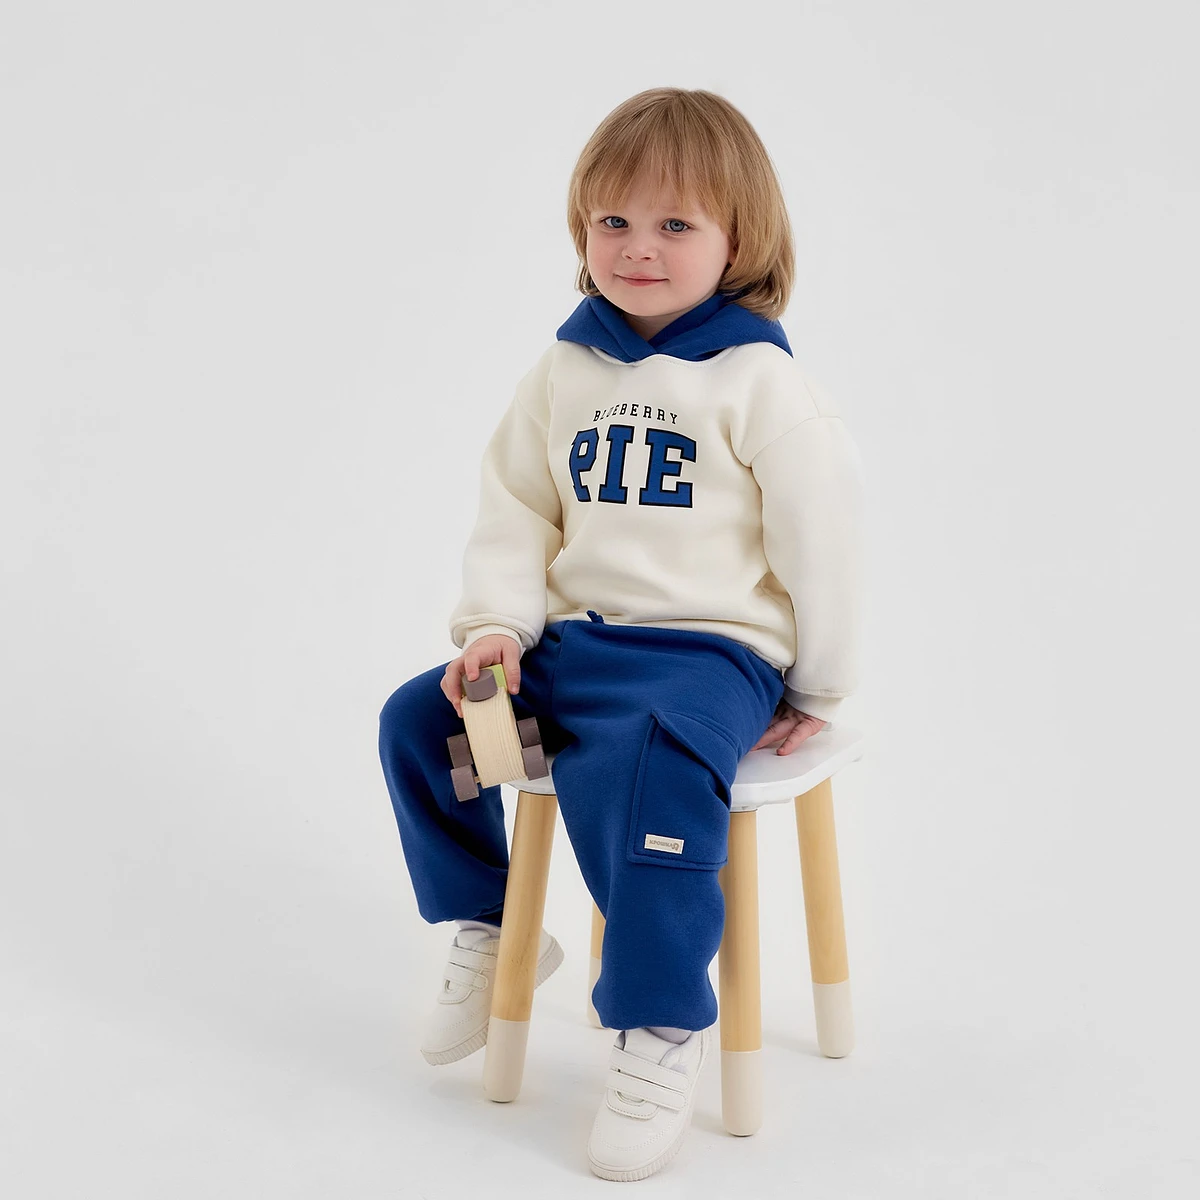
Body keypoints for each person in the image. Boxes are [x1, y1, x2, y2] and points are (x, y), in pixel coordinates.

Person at [378, 86, 865, 1183]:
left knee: (641, 777)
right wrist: (497, 628)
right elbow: (518, 509)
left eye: (675, 224)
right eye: (614, 222)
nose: (639, 248)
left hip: (708, 656)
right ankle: (492, 919)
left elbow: (825, 542)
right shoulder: (563, 371)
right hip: (572, 649)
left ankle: (658, 1027)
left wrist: (820, 685)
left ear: (740, 239)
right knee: (423, 723)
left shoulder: (762, 382)